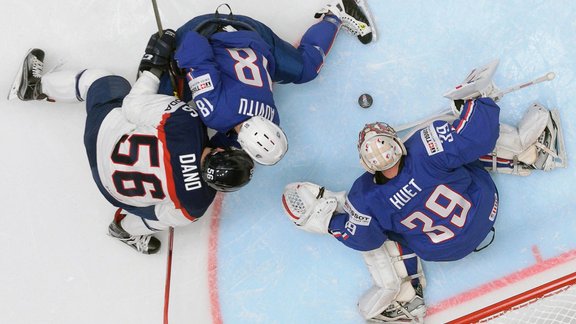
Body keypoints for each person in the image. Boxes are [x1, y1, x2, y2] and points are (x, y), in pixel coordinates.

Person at [280, 93, 566, 321]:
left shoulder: (364, 198)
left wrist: (331, 223)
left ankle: (403, 295)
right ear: (398, 145)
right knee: (459, 151)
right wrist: (477, 101)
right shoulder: (423, 147)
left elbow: (363, 239)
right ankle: (531, 151)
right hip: (484, 209)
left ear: (366, 166)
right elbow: (478, 136)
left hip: (443, 250)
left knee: (380, 232)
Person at [10, 30, 255, 255]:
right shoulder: (197, 205)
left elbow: (133, 104)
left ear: (222, 150)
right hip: (111, 188)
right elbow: (153, 215)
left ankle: (34, 87)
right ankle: (123, 230)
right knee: (155, 216)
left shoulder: (184, 124)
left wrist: (153, 67)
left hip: (103, 137)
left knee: (104, 81)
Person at [158, 0, 375, 165]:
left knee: (307, 69)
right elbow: (194, 44)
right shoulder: (215, 113)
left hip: (253, 34)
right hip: (209, 31)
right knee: (164, 105)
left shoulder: (273, 119)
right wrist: (174, 61)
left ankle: (334, 15)